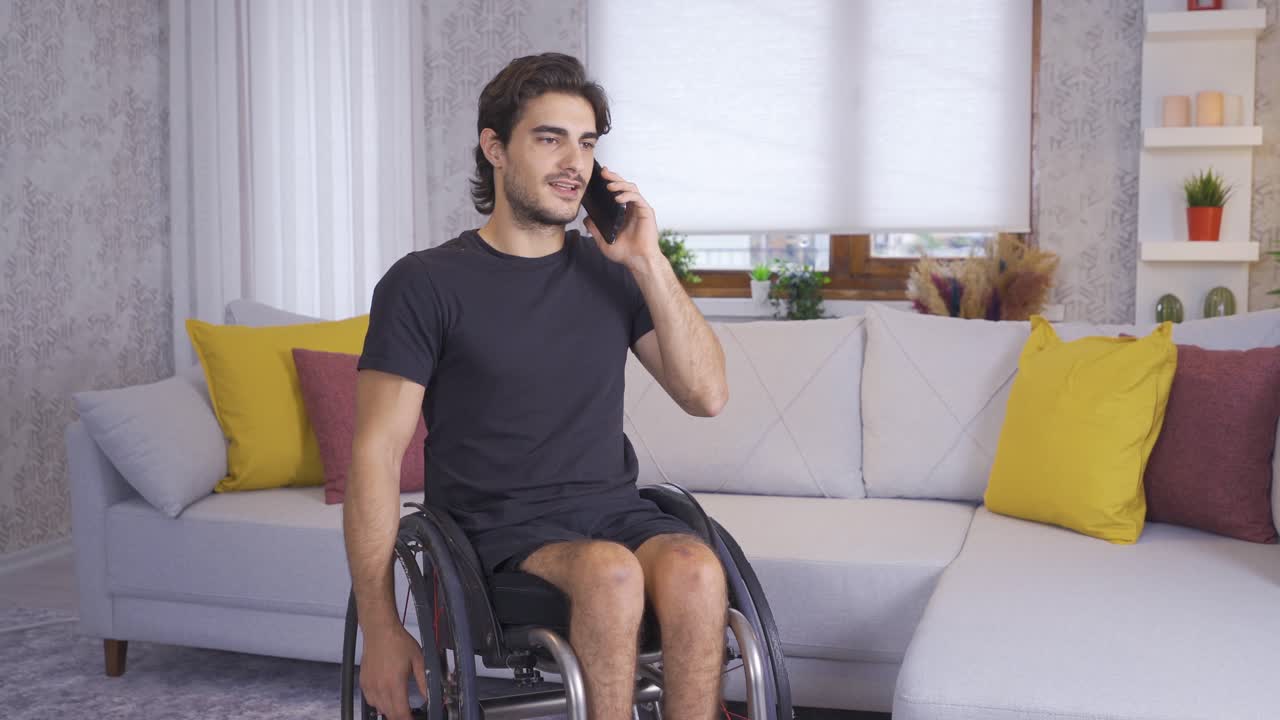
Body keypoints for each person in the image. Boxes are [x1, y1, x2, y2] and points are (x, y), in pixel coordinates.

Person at [343, 52, 731, 720]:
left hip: (612, 513)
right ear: (495, 148)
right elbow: (375, 455)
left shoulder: (611, 273)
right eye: (550, 139)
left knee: (697, 568)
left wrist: (646, 259)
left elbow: (707, 396)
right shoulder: (424, 282)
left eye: (586, 144)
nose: (573, 163)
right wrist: (381, 627)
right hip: (493, 532)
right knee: (609, 574)